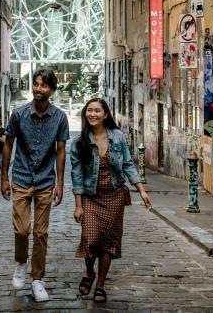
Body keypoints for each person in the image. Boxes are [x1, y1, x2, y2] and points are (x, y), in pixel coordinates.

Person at [70, 98, 152, 303]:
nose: (93, 114)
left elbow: (128, 164)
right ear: (85, 113)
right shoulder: (79, 143)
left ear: (105, 114)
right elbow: (77, 175)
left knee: (108, 243)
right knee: (90, 239)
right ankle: (90, 272)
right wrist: (78, 206)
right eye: (89, 110)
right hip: (90, 197)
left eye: (97, 110)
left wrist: (141, 190)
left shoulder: (117, 137)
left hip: (114, 196)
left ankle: (100, 284)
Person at [1, 69, 69, 302]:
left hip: (45, 181)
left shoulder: (60, 118)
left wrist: (60, 184)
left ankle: (37, 279)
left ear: (52, 90)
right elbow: (8, 144)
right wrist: (3, 177)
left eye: (44, 86)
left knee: (41, 233)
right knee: (21, 229)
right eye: (36, 84)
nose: (38, 89)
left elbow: (61, 152)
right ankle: (21, 263)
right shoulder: (18, 115)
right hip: (20, 178)